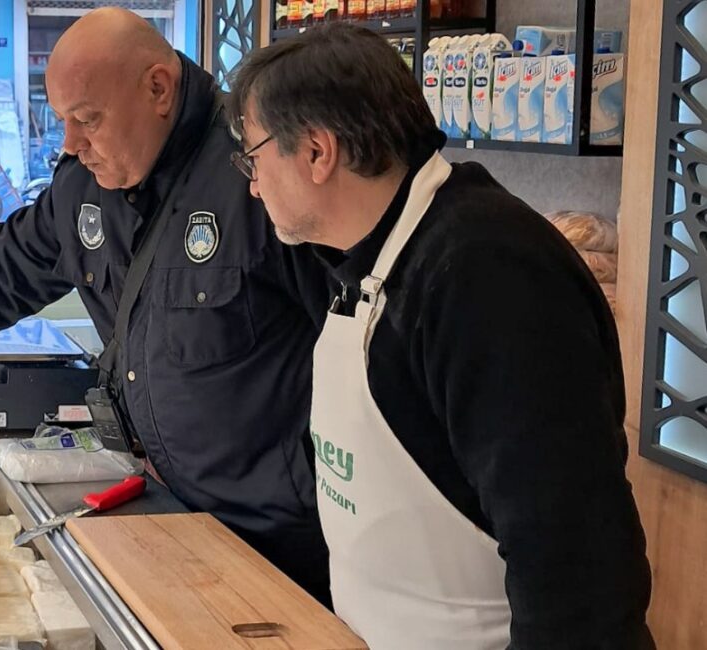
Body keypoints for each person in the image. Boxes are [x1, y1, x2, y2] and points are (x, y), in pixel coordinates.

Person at [0, 8, 333, 603]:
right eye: (61, 120)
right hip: (166, 509)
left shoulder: (258, 175)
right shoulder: (85, 185)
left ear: (158, 89)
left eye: (87, 120)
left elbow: (357, 348)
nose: (70, 143)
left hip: (281, 545)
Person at [227, 23, 653, 649]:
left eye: (253, 156)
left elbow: (574, 561)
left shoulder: (486, 272)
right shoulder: (365, 261)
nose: (253, 183)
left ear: (317, 151)